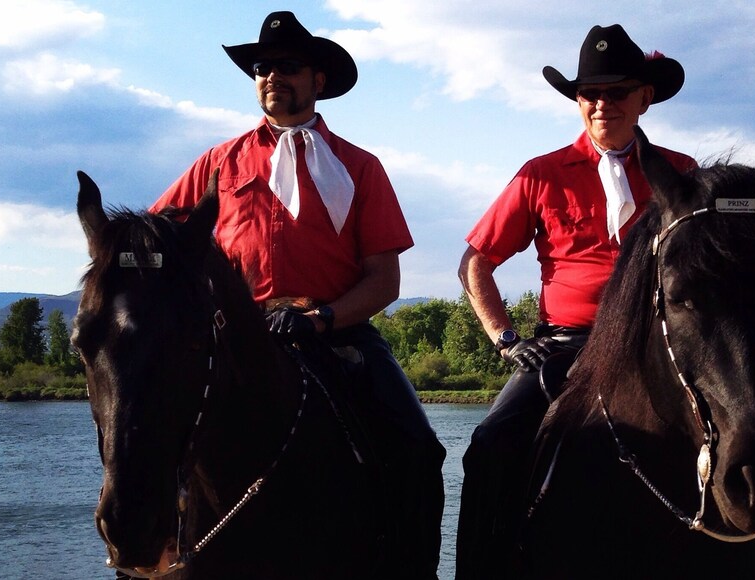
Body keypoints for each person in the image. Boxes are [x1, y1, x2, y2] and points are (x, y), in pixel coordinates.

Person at [151, 12, 444, 578]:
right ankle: (150, 558)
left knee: (417, 450)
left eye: (287, 66)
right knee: (147, 433)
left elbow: (385, 280)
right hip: (236, 339)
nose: (271, 76)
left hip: (337, 333)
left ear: (319, 81)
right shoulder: (219, 162)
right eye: (262, 67)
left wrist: (324, 318)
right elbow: (160, 236)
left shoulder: (361, 167)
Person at [455, 24, 699, 578]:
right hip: (567, 347)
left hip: (661, 345)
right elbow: (476, 264)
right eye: (590, 93)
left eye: (616, 92)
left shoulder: (683, 172)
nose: (601, 104)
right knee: (490, 443)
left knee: (748, 432)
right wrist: (506, 340)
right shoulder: (539, 174)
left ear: (645, 98)